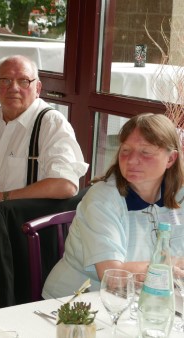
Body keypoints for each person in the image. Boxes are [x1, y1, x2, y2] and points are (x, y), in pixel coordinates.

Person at [43, 113, 184, 298]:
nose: (132, 160)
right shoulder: (102, 198)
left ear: (171, 159)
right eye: (125, 150)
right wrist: (167, 268)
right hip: (77, 302)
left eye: (145, 152)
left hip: (142, 298)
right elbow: (112, 275)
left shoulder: (179, 196)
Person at [0, 55, 88, 206]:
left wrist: (3, 197)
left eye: (23, 81)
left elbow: (66, 185)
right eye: (5, 80)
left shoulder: (50, 123)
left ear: (38, 89)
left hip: (19, 225)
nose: (14, 88)